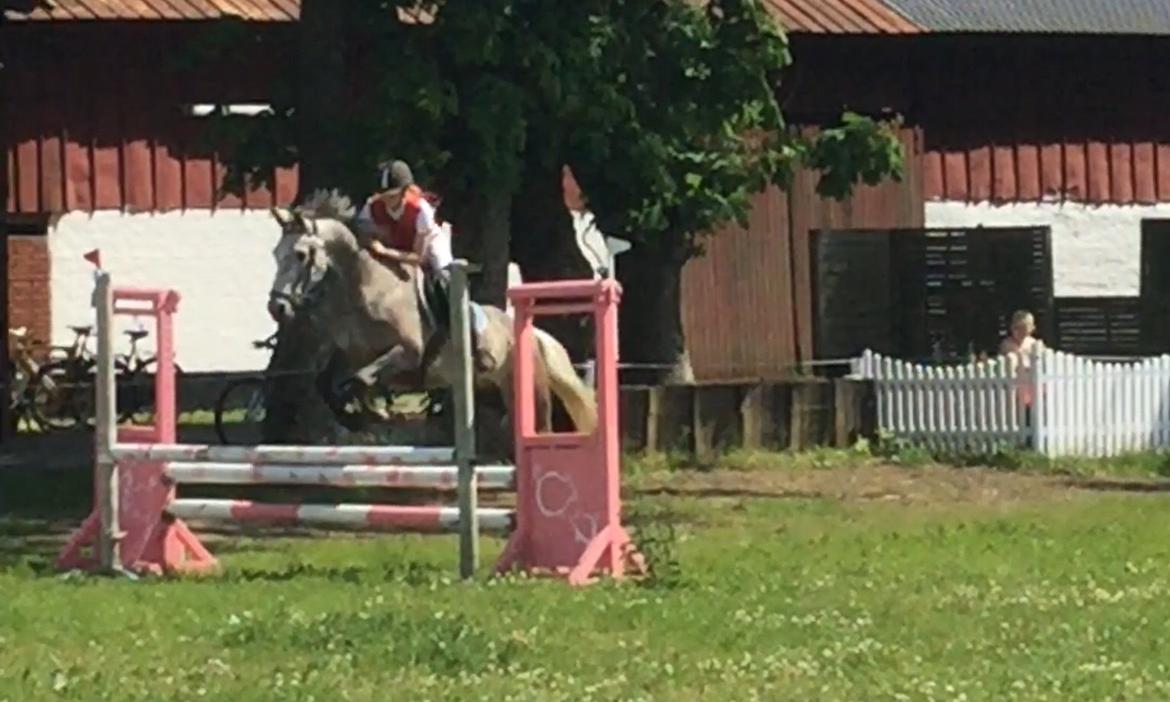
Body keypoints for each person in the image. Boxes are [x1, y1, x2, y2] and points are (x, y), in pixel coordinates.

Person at [353, 160, 491, 379]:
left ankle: (476, 341)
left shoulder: (420, 210)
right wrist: (372, 241)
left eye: (392, 195)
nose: (386, 200)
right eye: (383, 195)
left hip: (429, 251)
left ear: (405, 191)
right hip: (395, 245)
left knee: (444, 282)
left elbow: (418, 257)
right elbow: (361, 231)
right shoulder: (372, 207)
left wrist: (384, 251)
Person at [999, 309, 1046, 408]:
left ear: (1031, 329)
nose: (1020, 332)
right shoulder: (1007, 344)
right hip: (1015, 380)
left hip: (1031, 379)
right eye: (1017, 328)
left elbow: (1042, 358)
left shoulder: (1033, 343)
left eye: (1024, 329)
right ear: (1012, 328)